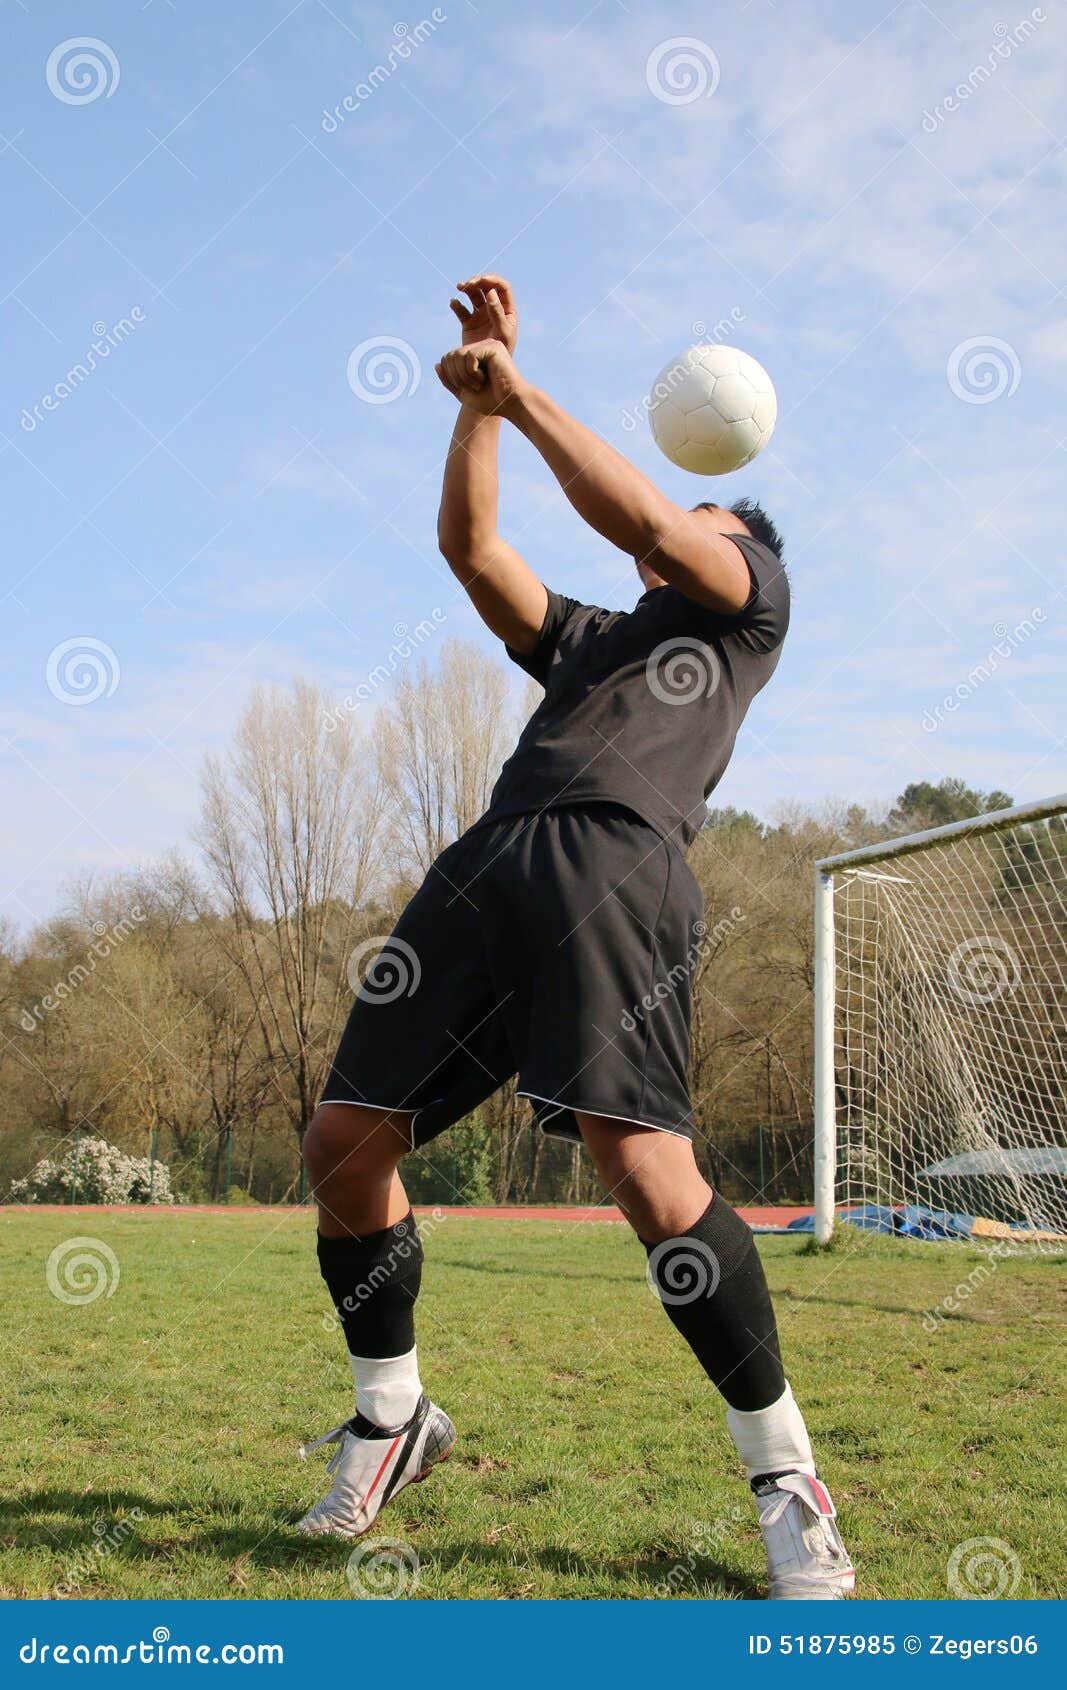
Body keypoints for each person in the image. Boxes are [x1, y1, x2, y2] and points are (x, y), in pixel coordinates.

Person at [298, 276, 854, 1600]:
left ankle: (788, 1480)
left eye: (708, 523)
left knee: (649, 1177)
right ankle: (392, 1419)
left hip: (619, 871)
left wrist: (530, 396)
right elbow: (476, 556)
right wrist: (481, 402)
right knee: (343, 1142)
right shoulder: (602, 642)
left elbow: (657, 515)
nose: (686, 530)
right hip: (493, 861)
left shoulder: (746, 606)